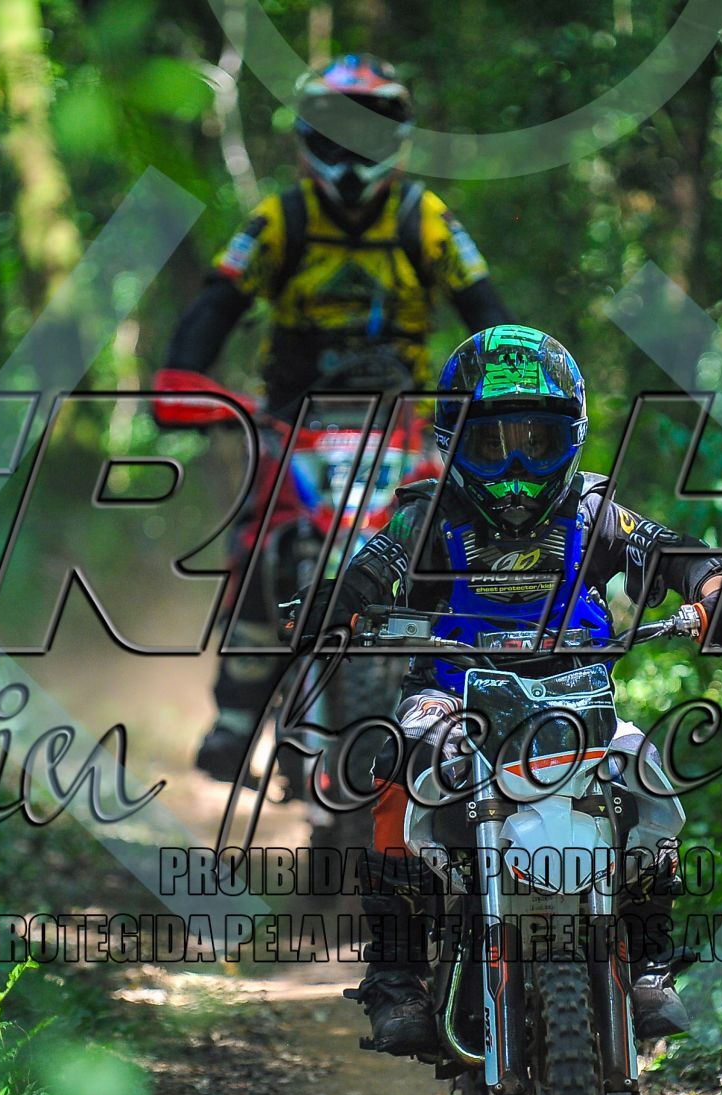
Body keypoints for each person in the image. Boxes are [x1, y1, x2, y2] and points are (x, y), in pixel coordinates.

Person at [309, 324, 722, 1055]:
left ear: (570, 439)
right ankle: (396, 975)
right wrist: (338, 604)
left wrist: (718, 589)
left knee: (645, 774)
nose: (516, 465)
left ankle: (649, 963)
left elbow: (677, 553)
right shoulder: (429, 515)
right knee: (399, 770)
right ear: (455, 441)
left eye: (537, 441)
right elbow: (371, 568)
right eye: (492, 444)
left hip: (575, 696)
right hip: (452, 696)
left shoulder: (594, 511)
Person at [162, 54, 513, 782]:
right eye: (337, 130)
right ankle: (238, 710)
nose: (351, 148)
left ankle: (487, 682)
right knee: (261, 540)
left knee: (457, 541)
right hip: (296, 420)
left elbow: (484, 307)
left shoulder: (423, 217)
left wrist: (511, 385)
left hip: (404, 421)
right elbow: (218, 300)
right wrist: (182, 378)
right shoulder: (281, 218)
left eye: (366, 130)